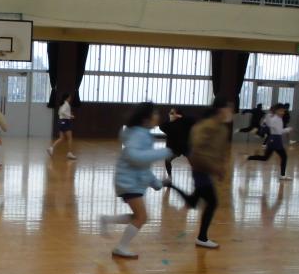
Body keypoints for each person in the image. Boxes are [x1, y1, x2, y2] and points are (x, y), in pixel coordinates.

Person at [99, 102, 172, 259]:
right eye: (155, 113)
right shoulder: (139, 135)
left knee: (139, 216)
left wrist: (158, 183)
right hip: (128, 182)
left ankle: (107, 220)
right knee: (141, 217)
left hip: (130, 181)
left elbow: (143, 166)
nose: (158, 116)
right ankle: (121, 247)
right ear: (146, 118)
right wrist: (162, 153)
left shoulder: (141, 134)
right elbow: (134, 157)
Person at [163, 97, 232, 249]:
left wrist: (220, 166)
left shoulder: (221, 128)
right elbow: (197, 151)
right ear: (220, 109)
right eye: (228, 108)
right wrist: (213, 168)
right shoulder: (206, 126)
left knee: (193, 201)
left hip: (207, 169)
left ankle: (170, 185)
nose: (230, 112)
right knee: (212, 202)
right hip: (201, 169)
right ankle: (202, 238)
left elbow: (219, 150)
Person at [246, 103, 292, 181]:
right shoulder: (276, 119)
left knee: (265, 158)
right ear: (276, 111)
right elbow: (279, 131)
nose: (283, 112)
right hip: (276, 140)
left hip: (273, 139)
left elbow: (269, 125)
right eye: (281, 111)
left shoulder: (277, 118)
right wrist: (288, 129)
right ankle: (282, 175)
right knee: (284, 157)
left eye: (283, 111)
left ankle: (249, 157)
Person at [158, 107, 195, 178]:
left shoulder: (185, 122)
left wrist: (181, 117)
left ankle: (198, 176)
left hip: (185, 148)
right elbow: (161, 126)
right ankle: (170, 177)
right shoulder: (169, 124)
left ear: (178, 114)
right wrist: (171, 120)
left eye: (172, 113)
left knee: (195, 163)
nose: (170, 114)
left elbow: (193, 121)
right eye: (170, 113)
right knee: (167, 160)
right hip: (174, 149)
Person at [47, 93, 76, 160]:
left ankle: (51, 148)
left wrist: (68, 115)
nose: (70, 99)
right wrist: (70, 116)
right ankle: (69, 153)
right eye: (69, 97)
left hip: (61, 121)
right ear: (67, 98)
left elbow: (59, 113)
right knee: (70, 138)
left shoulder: (62, 104)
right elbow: (62, 112)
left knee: (61, 138)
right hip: (65, 122)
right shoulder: (66, 104)